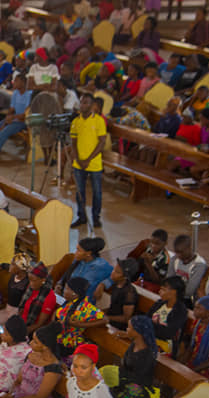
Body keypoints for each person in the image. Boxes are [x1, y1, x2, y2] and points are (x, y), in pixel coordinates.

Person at [111, 316, 167, 398]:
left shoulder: (147, 354)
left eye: (129, 327)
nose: (127, 328)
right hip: (129, 384)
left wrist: (120, 377)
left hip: (140, 388)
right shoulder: (135, 344)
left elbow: (139, 379)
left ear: (138, 331)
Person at [0, 321, 63, 398]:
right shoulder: (31, 355)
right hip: (19, 395)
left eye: (35, 342)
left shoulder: (52, 367)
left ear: (45, 347)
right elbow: (19, 379)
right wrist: (10, 394)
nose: (30, 343)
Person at [70, 93, 106, 228]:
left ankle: (96, 217)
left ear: (92, 105)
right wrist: (78, 159)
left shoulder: (99, 120)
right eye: (81, 102)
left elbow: (101, 142)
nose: (83, 105)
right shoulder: (76, 122)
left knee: (97, 192)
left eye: (86, 103)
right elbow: (73, 143)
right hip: (79, 163)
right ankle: (82, 216)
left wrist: (88, 159)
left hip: (94, 163)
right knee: (80, 192)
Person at [53, 277, 108, 355]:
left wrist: (80, 325)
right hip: (58, 338)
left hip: (69, 344)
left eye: (66, 288)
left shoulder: (85, 307)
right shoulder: (69, 302)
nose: (63, 291)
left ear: (74, 293)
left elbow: (105, 319)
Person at [94, 258, 138, 330]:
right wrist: (99, 312)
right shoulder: (116, 284)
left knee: (88, 325)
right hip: (109, 319)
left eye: (117, 272)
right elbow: (114, 308)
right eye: (114, 269)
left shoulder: (129, 292)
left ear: (125, 277)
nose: (112, 273)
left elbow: (126, 318)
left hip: (119, 326)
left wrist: (105, 317)